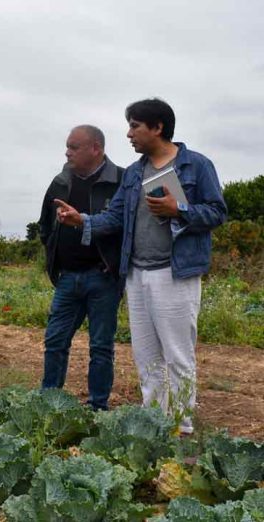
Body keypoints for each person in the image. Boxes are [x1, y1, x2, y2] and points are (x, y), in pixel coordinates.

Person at [55, 99, 227, 434]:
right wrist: (82, 220)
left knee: (177, 355)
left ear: (157, 127)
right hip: (136, 274)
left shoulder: (196, 166)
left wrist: (179, 209)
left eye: (135, 125)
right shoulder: (135, 172)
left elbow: (217, 212)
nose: (129, 134)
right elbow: (117, 216)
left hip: (174, 273)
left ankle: (181, 428)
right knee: (146, 356)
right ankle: (154, 424)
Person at [38, 125, 124, 411]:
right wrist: (56, 256)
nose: (67, 152)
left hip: (103, 279)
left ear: (96, 149)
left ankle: (97, 407)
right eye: (67, 146)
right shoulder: (60, 182)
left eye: (74, 147)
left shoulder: (120, 181)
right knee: (55, 341)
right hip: (68, 279)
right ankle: (50, 403)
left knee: (101, 347)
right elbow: (44, 225)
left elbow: (125, 225)